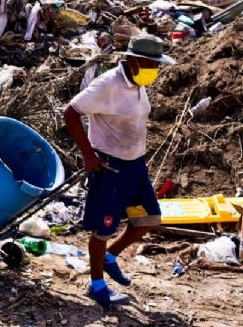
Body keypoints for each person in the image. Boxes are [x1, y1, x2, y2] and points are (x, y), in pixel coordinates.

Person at [62, 34, 174, 306]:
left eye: (157, 65)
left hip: (135, 166)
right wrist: (88, 154)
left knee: (147, 219)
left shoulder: (138, 83)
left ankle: (110, 257)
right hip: (110, 167)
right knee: (103, 228)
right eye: (151, 64)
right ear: (133, 61)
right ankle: (97, 286)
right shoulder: (107, 85)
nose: (155, 71)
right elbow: (70, 112)